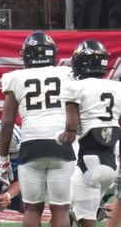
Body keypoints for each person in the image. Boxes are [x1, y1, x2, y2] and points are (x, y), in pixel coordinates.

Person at [0, 30, 76, 227]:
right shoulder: (67, 74)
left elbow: (7, 122)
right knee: (61, 208)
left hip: (31, 145)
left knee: (32, 208)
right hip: (61, 144)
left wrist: (3, 158)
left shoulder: (15, 78)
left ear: (26, 55)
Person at [56, 40, 121, 227]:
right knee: (79, 212)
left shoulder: (75, 87)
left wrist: (58, 139)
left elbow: (71, 131)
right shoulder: (117, 88)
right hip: (111, 165)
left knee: (78, 215)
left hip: (88, 163)